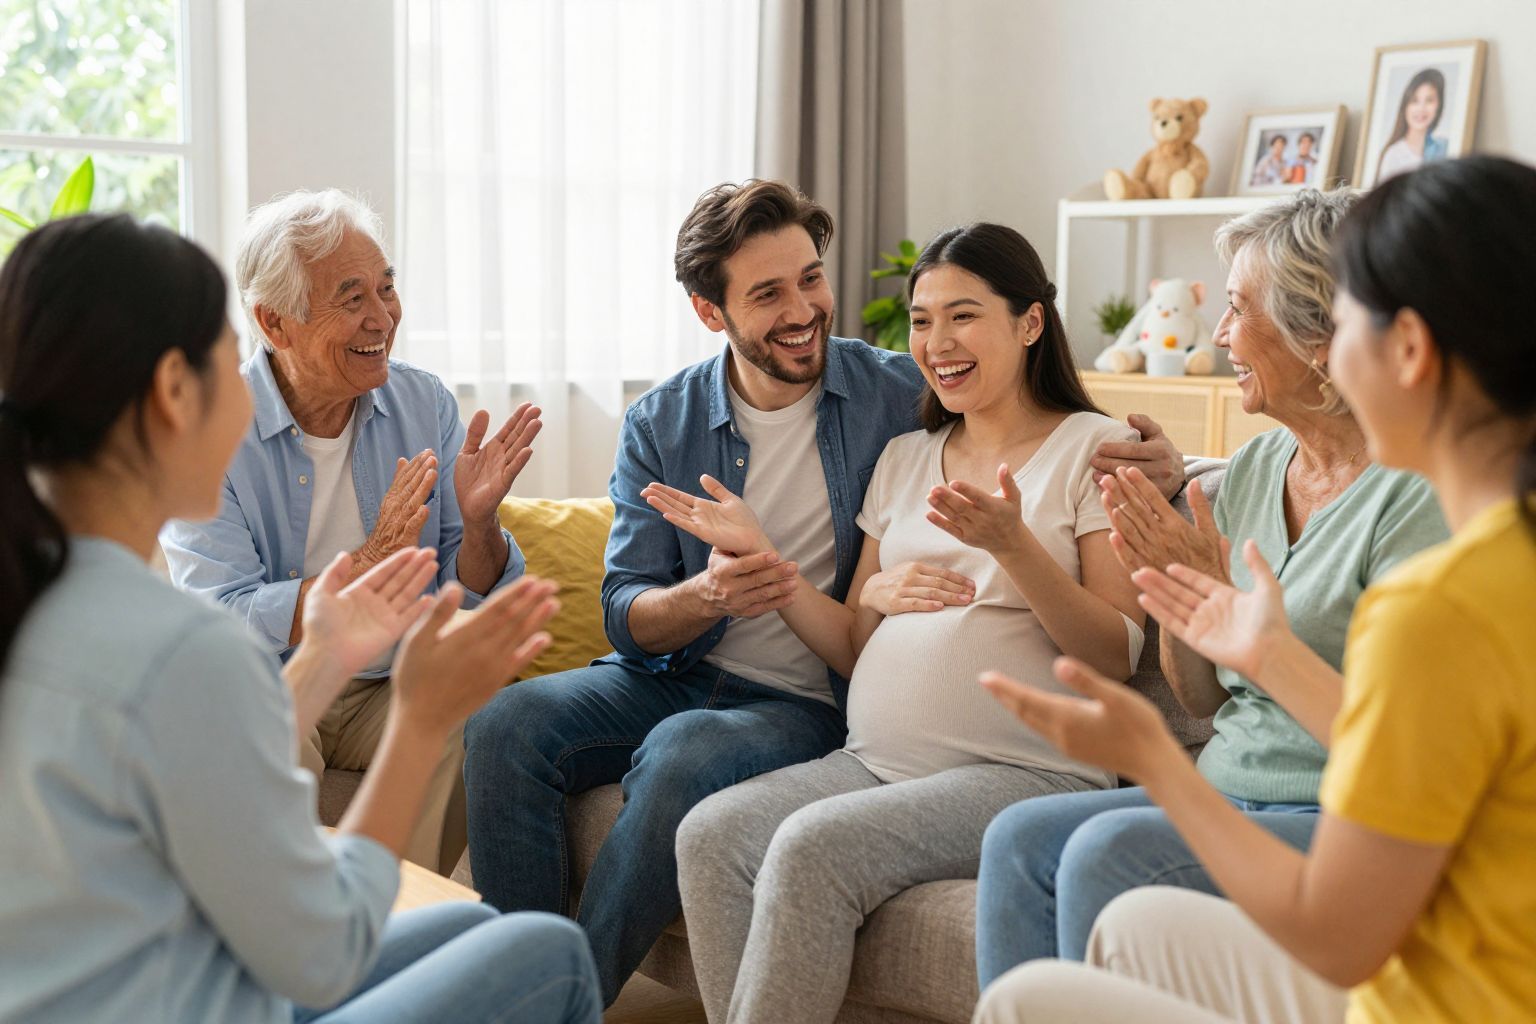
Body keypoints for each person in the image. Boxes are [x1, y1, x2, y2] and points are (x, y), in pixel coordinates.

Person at [460, 181, 1187, 1007]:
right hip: (786, 713)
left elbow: (1113, 641)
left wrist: (1122, 489)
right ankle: (516, 997)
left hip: (897, 731)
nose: (805, 308)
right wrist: (735, 584)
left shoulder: (955, 416)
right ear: (712, 313)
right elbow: (656, 615)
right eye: (769, 293)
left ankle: (563, 1003)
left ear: (1029, 321)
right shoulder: (874, 447)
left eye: (811, 278)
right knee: (532, 739)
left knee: (710, 775)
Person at [974, 155, 1536, 1024]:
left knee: (1030, 994)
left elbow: (1346, 924)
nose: (1223, 334)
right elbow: (1403, 733)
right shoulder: (1493, 566)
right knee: (1122, 917)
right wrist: (1218, 617)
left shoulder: (1437, 600)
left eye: (1348, 320)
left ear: (1409, 349)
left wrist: (1160, 761)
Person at [0, 214, 600, 1023]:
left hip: (138, 977)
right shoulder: (182, 650)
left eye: (386, 287)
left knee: (464, 921)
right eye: (224, 361)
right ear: (177, 394)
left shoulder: (45, 596)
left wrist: (324, 654)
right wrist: (421, 719)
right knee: (549, 951)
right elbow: (322, 953)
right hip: (212, 992)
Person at [660, 222, 1145, 1024]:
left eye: (963, 315)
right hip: (876, 761)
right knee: (712, 835)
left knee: (813, 850)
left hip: (1026, 771)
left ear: (1029, 324)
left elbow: (1117, 654)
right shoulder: (905, 457)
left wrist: (1013, 546)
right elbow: (852, 642)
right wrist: (769, 562)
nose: (937, 341)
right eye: (921, 320)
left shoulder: (1095, 449)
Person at [161, 189, 538, 875]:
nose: (382, 317)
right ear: (276, 324)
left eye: (387, 289)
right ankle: (293, 930)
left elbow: (468, 589)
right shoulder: (208, 428)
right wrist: (369, 561)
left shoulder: (423, 403)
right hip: (276, 678)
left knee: (483, 712)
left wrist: (482, 526)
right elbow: (219, 617)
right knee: (248, 729)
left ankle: (384, 921)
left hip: (391, 674)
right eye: (352, 298)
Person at [1375, 68, 1448, 183]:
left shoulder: (1443, 147)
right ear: (1405, 106)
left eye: (1429, 100)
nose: (1421, 108)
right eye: (1415, 101)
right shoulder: (1394, 154)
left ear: (1439, 105)